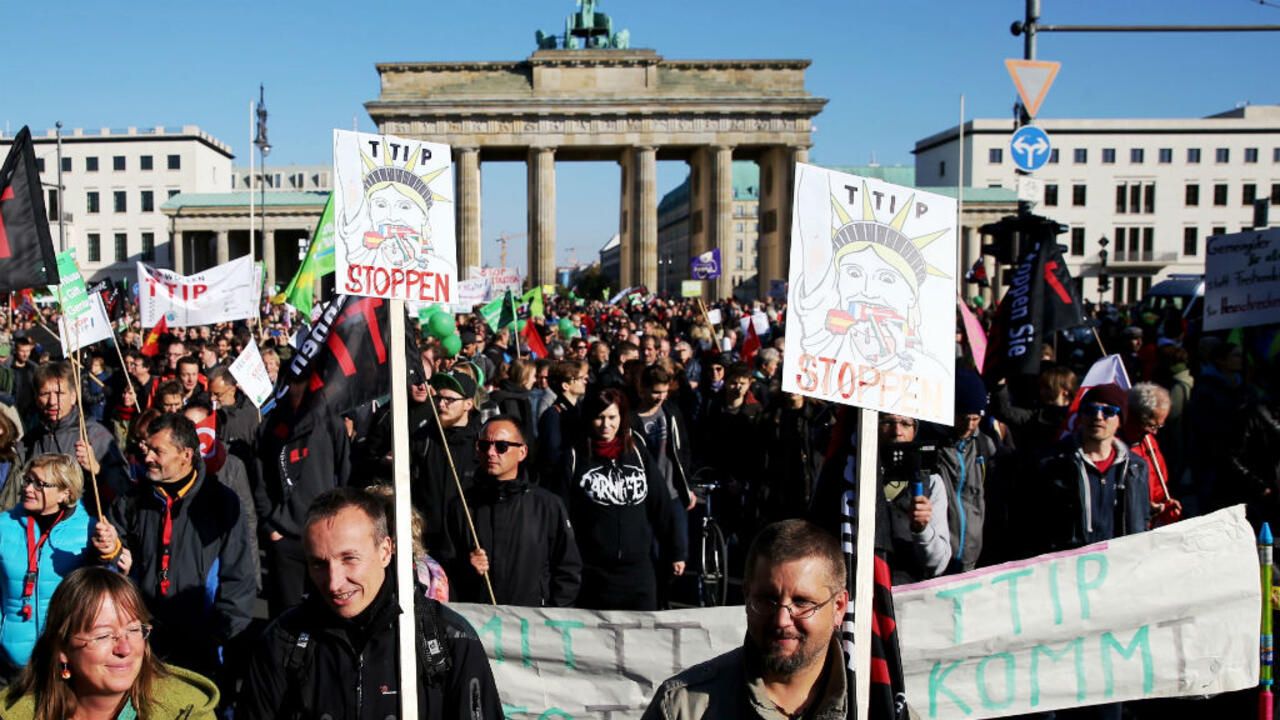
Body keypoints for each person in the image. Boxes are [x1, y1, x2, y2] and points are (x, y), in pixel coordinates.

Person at [239, 487, 503, 719]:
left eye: (349, 558)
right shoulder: (283, 641)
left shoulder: (449, 641)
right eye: (319, 564)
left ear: (385, 551)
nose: (334, 582)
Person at [91, 414, 255, 683]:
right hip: (141, 637)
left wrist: (222, 636)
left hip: (200, 640)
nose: (148, 458)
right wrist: (109, 549)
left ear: (186, 454)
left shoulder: (220, 502)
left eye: (158, 451)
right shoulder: (132, 499)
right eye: (147, 449)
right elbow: (115, 560)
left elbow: (238, 578)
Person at [642, 519, 849, 719]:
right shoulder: (684, 708)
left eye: (802, 602)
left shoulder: (873, 698)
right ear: (747, 596)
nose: (781, 620)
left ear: (838, 607)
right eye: (768, 600)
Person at [2, 565, 218, 720]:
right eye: (103, 635)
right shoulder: (20, 712)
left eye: (134, 630)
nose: (124, 648)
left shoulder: (186, 711)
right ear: (62, 649)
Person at [557, 387, 682, 611]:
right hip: (593, 575)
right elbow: (562, 514)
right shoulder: (574, 456)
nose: (606, 425)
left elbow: (660, 503)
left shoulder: (637, 451)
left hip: (638, 572)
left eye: (612, 417)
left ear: (622, 417)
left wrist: (676, 551)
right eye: (600, 417)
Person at [442, 416, 581, 606]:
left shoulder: (547, 505)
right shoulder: (462, 505)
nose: (491, 452)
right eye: (484, 445)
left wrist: (552, 617)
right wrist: (467, 567)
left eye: (501, 446)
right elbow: (443, 568)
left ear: (522, 452)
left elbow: (567, 569)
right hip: (478, 622)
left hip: (533, 623)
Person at [0, 455, 96, 681]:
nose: (28, 489)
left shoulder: (90, 530)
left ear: (66, 493)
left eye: (39, 484)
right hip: (7, 661)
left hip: (63, 659)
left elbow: (105, 583)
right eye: (27, 480)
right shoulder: (4, 525)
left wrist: (112, 554)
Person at [1034, 384, 1150, 555]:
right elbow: (1035, 523)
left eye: (1108, 411)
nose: (1098, 416)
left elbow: (1141, 521)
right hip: (1070, 569)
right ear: (1081, 416)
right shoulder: (1053, 463)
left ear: (1120, 420)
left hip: (1121, 567)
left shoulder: (1136, 467)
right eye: (1090, 409)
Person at [23, 362, 130, 510]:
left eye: (60, 394)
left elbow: (124, 488)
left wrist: (97, 470)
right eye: (45, 394)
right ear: (36, 398)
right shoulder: (33, 437)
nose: (52, 402)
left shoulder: (94, 434)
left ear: (74, 396)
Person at [1121, 383, 1182, 528]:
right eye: (1151, 425)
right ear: (1134, 417)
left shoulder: (1149, 441)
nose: (1155, 432)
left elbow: (1159, 481)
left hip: (1150, 523)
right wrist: (1147, 506)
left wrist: (1165, 504)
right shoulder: (1116, 447)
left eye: (1159, 426)